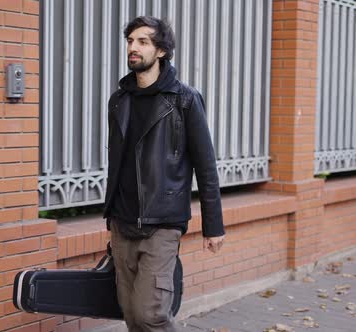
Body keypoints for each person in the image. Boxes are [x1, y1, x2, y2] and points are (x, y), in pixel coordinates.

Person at [103, 16, 226, 332]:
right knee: (130, 313)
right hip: (122, 221)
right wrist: (110, 213)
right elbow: (117, 160)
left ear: (160, 51)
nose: (133, 47)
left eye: (143, 42)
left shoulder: (183, 99)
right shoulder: (119, 100)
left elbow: (206, 165)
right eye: (130, 40)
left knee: (151, 315)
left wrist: (214, 226)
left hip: (163, 224)